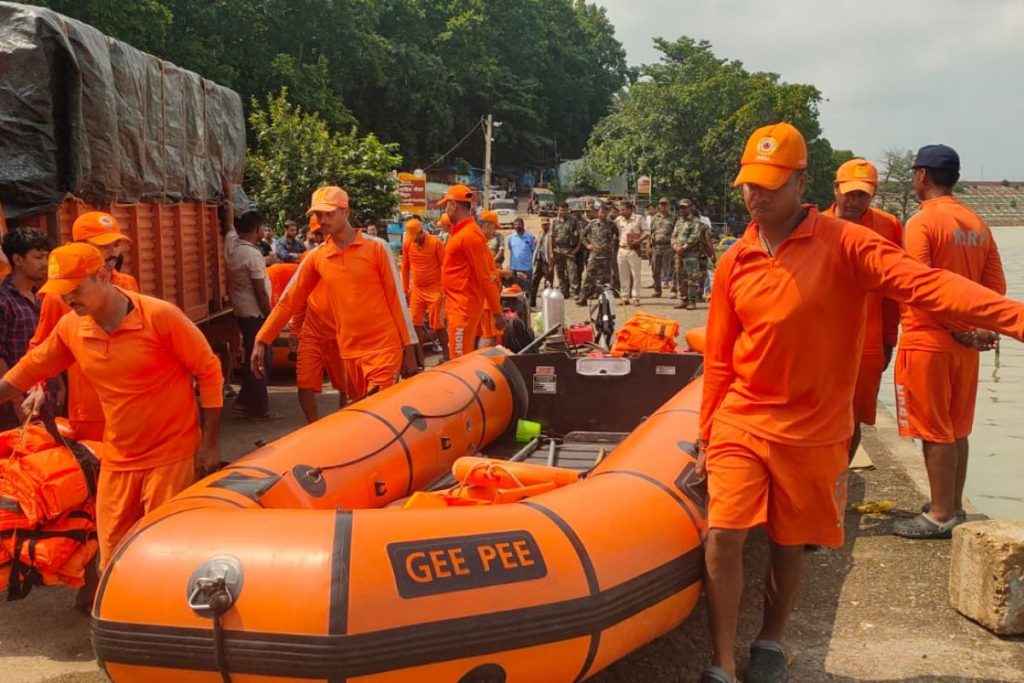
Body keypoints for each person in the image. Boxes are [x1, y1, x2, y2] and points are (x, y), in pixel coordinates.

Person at [697, 122, 1024, 683]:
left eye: (771, 184)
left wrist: (1015, 318)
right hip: (743, 419)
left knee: (788, 542)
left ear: (802, 182)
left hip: (816, 427)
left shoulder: (848, 244)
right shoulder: (735, 259)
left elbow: (929, 285)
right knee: (724, 532)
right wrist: (706, 434)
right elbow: (721, 358)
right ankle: (721, 663)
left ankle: (771, 639)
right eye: (750, 184)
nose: (758, 196)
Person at [2, 242, 223, 576]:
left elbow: (209, 371)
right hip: (119, 457)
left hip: (171, 455)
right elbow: (27, 370)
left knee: (167, 550)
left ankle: (169, 620)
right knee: (113, 555)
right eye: (62, 294)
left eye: (74, 290)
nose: (67, 300)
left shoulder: (160, 317)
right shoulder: (73, 328)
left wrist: (208, 443)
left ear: (103, 275)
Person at [891, 144, 1006, 539]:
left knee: (933, 429)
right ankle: (953, 503)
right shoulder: (976, 223)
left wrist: (955, 327)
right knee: (957, 427)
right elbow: (995, 287)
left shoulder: (922, 224)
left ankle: (939, 515)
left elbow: (918, 286)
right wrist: (978, 329)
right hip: (967, 346)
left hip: (930, 339)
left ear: (922, 175)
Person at [253, 186, 417, 401]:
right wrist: (262, 339)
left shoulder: (377, 248)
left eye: (329, 213)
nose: (323, 219)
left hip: (383, 348)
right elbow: (288, 301)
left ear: (345, 212)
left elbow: (397, 300)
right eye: (319, 214)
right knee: (361, 418)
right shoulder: (317, 257)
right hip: (349, 353)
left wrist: (409, 348)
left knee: (378, 416)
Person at [29, 211, 140, 441]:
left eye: (116, 244)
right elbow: (39, 347)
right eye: (103, 245)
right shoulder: (58, 296)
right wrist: (38, 385)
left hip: (132, 403)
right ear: (80, 248)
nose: (113, 252)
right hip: (91, 411)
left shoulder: (127, 284)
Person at [823, 159, 903, 462]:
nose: (855, 201)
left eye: (863, 195)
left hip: (867, 345)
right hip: (820, 341)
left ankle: (838, 482)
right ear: (835, 189)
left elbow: (895, 290)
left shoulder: (888, 227)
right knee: (818, 416)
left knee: (853, 418)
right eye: (849, 193)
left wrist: (889, 339)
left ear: (874, 194)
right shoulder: (814, 225)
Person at [290, 216, 347, 423]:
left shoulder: (346, 257)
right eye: (314, 233)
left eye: (320, 232)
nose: (317, 236)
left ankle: (346, 424)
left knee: (346, 387)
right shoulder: (309, 258)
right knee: (304, 382)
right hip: (312, 334)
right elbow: (299, 297)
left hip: (341, 335)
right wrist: (296, 330)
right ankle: (312, 426)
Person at [438, 185, 504, 357]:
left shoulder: (469, 236)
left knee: (459, 361)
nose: (445, 210)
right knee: (459, 358)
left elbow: (485, 277)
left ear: (453, 205)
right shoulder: (460, 233)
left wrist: (497, 313)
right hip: (457, 307)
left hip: (463, 309)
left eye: (446, 205)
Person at [225, 210, 277, 421]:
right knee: (261, 359)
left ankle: (244, 401)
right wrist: (272, 318)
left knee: (253, 358)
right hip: (256, 314)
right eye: (262, 228)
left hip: (242, 311)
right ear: (256, 230)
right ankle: (258, 408)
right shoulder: (252, 255)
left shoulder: (231, 245)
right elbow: (260, 293)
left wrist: (228, 199)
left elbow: (228, 228)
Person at [0, 228, 53, 430]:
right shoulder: (4, 301)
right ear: (18, 259)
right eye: (38, 257)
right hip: (17, 404)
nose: (45, 264)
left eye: (46, 257)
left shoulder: (42, 298)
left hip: (45, 396)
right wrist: (14, 399)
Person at [402, 218, 447, 359]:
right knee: (414, 325)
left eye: (415, 237)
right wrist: (404, 289)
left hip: (435, 289)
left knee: (438, 325)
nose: (413, 240)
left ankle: (447, 355)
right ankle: (418, 360)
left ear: (421, 232)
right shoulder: (408, 243)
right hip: (417, 290)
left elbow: (445, 266)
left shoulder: (435, 242)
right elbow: (405, 267)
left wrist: (445, 289)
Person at [575, 203, 617, 306]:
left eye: (605, 212)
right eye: (601, 212)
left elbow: (617, 238)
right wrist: (587, 245)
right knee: (589, 276)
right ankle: (583, 297)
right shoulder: (592, 224)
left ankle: (603, 300)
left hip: (607, 256)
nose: (603, 214)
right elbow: (583, 236)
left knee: (605, 279)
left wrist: (612, 246)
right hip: (594, 255)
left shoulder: (612, 225)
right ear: (598, 212)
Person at [476, 210, 507, 348]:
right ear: (487, 225)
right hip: (486, 300)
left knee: (481, 334)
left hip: (481, 299)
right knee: (489, 335)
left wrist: (500, 273)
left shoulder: (480, 243)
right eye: (494, 227)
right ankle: (484, 363)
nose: (495, 232)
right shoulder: (479, 244)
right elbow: (486, 277)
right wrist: (497, 311)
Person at [672, 199, 704, 310]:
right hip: (679, 254)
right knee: (680, 278)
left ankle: (692, 301)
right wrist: (675, 246)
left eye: (685, 207)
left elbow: (694, 237)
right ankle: (684, 299)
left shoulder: (695, 221)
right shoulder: (678, 221)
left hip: (690, 254)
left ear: (690, 208)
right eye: (681, 207)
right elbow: (673, 236)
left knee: (692, 279)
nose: (682, 209)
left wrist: (684, 247)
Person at [615, 200, 647, 305]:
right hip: (622, 249)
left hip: (634, 250)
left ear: (630, 209)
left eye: (623, 210)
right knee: (623, 274)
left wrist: (639, 240)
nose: (621, 212)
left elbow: (647, 232)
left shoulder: (639, 218)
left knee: (635, 274)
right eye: (620, 210)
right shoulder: (619, 220)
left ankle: (636, 297)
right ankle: (625, 297)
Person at [551, 203, 581, 299]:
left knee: (572, 272)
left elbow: (580, 236)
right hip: (558, 250)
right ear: (558, 210)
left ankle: (575, 292)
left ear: (568, 210)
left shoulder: (573, 221)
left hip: (569, 250)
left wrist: (576, 249)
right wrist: (551, 251)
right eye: (561, 210)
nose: (562, 212)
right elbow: (551, 237)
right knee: (560, 273)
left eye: (564, 210)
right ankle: (564, 292)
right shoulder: (554, 221)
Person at [649, 198, 675, 298]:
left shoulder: (673, 217)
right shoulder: (655, 218)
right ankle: (657, 290)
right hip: (656, 247)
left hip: (668, 246)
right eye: (661, 204)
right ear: (659, 206)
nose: (663, 206)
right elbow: (651, 232)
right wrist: (650, 246)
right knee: (655, 270)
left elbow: (676, 232)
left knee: (671, 269)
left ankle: (673, 290)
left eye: (665, 204)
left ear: (668, 205)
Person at [506, 217, 536, 299]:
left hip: (526, 269)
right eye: (515, 224)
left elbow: (532, 249)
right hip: (514, 269)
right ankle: (518, 310)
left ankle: (527, 309)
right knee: (516, 291)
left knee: (527, 291)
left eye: (519, 224)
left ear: (523, 225)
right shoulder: (510, 237)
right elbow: (510, 249)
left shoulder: (530, 237)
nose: (517, 226)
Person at [530, 219, 554, 307]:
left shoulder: (551, 234)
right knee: (535, 280)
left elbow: (552, 249)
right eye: (543, 224)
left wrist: (552, 263)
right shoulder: (541, 233)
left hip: (547, 261)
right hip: (539, 260)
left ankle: (547, 303)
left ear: (549, 224)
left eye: (546, 224)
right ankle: (532, 302)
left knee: (548, 282)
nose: (545, 226)